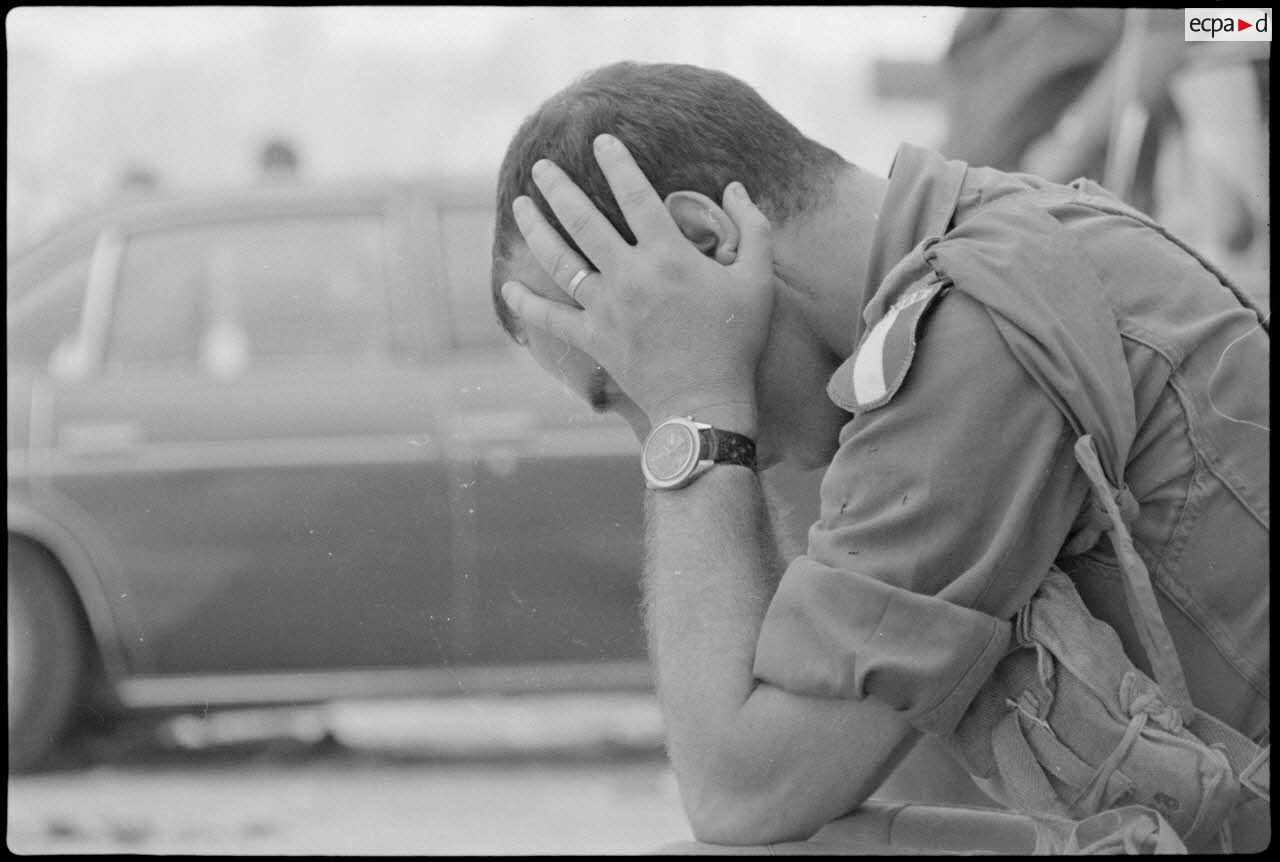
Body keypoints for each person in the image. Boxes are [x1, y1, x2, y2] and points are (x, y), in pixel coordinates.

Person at [489, 62, 1269, 852]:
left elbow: (738, 796)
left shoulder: (973, 335)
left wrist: (695, 406)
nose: (651, 427)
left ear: (707, 241)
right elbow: (847, 759)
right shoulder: (992, 243)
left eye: (637, 378)